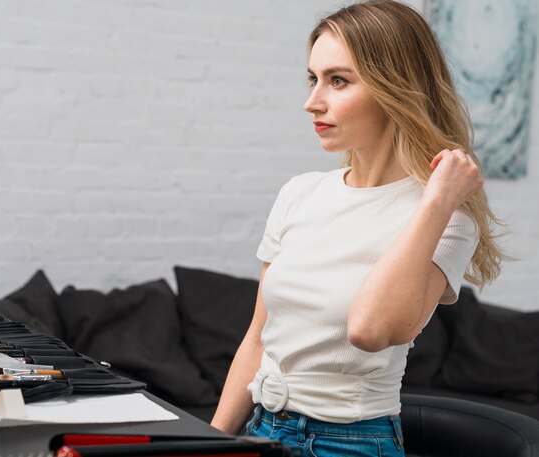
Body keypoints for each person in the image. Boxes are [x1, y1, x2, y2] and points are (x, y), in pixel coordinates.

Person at [210, 1, 505, 456]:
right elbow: (257, 339)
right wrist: (208, 444)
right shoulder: (299, 194)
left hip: (349, 443)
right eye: (313, 78)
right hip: (259, 431)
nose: (312, 101)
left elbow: (370, 329)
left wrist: (439, 199)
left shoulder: (446, 220)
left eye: (338, 80)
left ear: (396, 88)